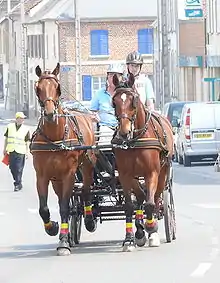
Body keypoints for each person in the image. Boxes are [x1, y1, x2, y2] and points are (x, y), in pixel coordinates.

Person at [90, 63, 125, 143]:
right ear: (107, 77)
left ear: (121, 78)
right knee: (105, 143)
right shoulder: (99, 93)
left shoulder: (124, 94)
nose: (113, 78)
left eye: (116, 76)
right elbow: (92, 113)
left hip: (123, 126)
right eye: (111, 75)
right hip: (105, 127)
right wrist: (94, 117)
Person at [3, 111, 30, 191]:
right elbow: (7, 139)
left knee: (19, 168)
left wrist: (27, 152)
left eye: (23, 119)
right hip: (11, 150)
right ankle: (18, 181)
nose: (22, 120)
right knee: (12, 168)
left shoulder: (26, 129)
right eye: (21, 118)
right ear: (17, 119)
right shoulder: (10, 127)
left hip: (21, 151)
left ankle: (17, 184)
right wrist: (4, 149)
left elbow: (27, 141)